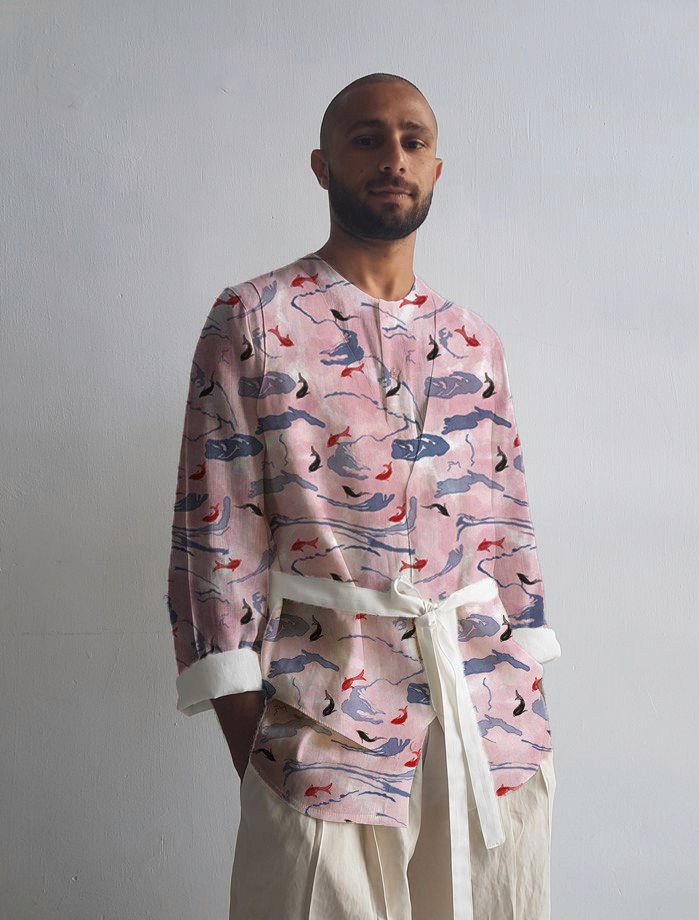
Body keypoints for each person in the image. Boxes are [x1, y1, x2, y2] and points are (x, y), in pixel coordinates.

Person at [165, 72, 562, 920]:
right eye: (367, 137)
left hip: (486, 728)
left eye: (414, 140)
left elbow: (507, 526)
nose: (394, 157)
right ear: (322, 164)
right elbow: (216, 535)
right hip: (323, 721)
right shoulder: (253, 320)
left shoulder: (473, 341)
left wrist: (522, 680)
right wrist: (254, 739)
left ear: (436, 168)